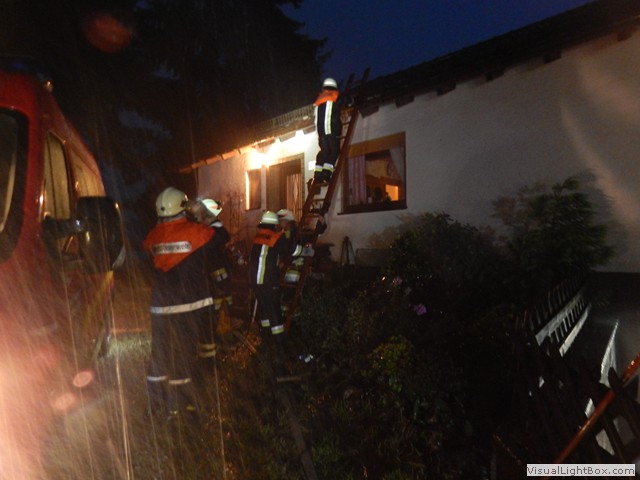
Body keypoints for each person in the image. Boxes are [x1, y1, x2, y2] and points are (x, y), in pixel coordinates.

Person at [143, 187, 226, 419]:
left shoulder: (152, 237)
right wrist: (206, 215)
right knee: (183, 355)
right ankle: (181, 406)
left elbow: (153, 255)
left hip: (160, 307)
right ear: (184, 208)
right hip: (188, 306)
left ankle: (155, 403)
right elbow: (221, 237)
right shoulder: (198, 233)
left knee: (160, 354)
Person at [249, 211, 312, 364]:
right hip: (268, 281)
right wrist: (308, 251)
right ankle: (280, 349)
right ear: (274, 225)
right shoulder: (275, 237)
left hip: (256, 282)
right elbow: (292, 250)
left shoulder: (258, 237)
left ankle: (266, 342)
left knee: (265, 312)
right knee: (275, 315)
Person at [196, 199, 232, 361]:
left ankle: (212, 358)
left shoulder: (214, 234)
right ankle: (213, 354)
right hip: (214, 285)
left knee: (211, 321)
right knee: (211, 321)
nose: (199, 217)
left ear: (208, 214)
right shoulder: (214, 232)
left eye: (202, 213)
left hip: (215, 287)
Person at [313, 77, 346, 185]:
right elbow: (347, 102)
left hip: (321, 133)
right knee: (334, 151)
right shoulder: (334, 96)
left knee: (324, 152)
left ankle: (318, 175)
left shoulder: (318, 100)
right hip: (331, 131)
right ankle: (326, 174)